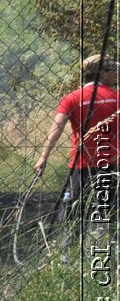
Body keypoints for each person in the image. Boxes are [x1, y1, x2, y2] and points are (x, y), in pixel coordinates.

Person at [35, 53, 118, 223]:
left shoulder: (72, 98)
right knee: (110, 211)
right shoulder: (116, 97)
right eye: (112, 70)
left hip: (82, 164)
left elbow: (56, 128)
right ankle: (110, 242)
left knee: (73, 210)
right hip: (112, 163)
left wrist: (43, 156)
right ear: (101, 73)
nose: (116, 74)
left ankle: (70, 244)